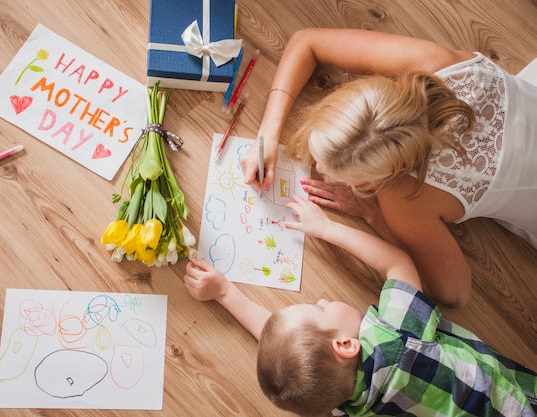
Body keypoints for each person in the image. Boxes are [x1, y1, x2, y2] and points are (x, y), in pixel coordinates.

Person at [239, 28, 537, 308]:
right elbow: (306, 41)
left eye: (329, 169)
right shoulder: (433, 65)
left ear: (376, 180)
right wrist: (267, 135)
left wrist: (372, 213)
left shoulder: (406, 197)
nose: (316, 167)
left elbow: (454, 294)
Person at [183, 194, 537, 417]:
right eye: (319, 309)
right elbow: (396, 264)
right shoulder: (399, 338)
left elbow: (287, 353)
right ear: (345, 344)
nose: (322, 299)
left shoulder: (336, 402)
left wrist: (226, 294)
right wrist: (326, 228)